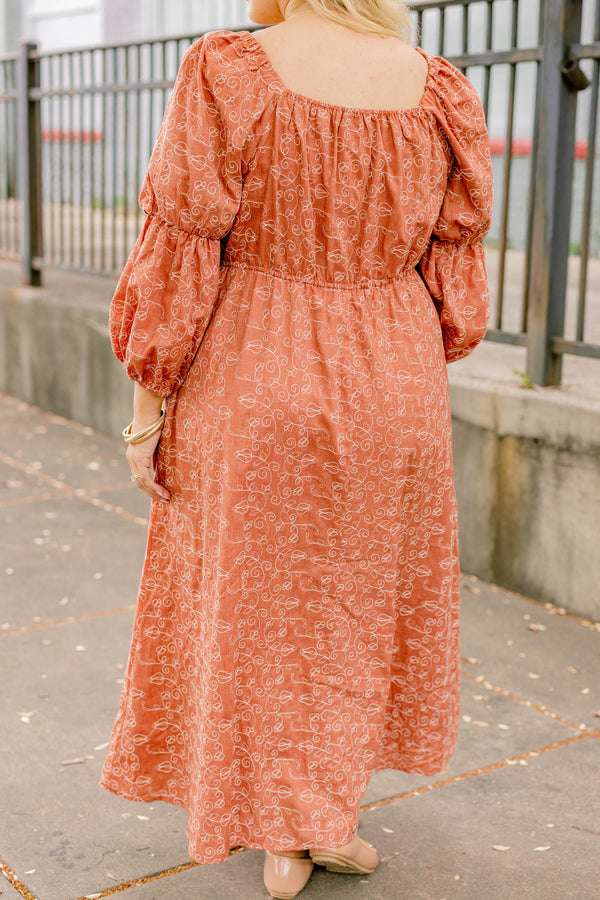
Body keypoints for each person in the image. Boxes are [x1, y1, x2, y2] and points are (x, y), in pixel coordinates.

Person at [100, 0, 494, 896]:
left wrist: (147, 409)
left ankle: (281, 827)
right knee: (355, 603)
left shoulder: (231, 68)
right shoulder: (437, 89)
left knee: (255, 604)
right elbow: (454, 274)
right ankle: (317, 817)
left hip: (255, 369)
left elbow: (183, 244)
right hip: (395, 379)